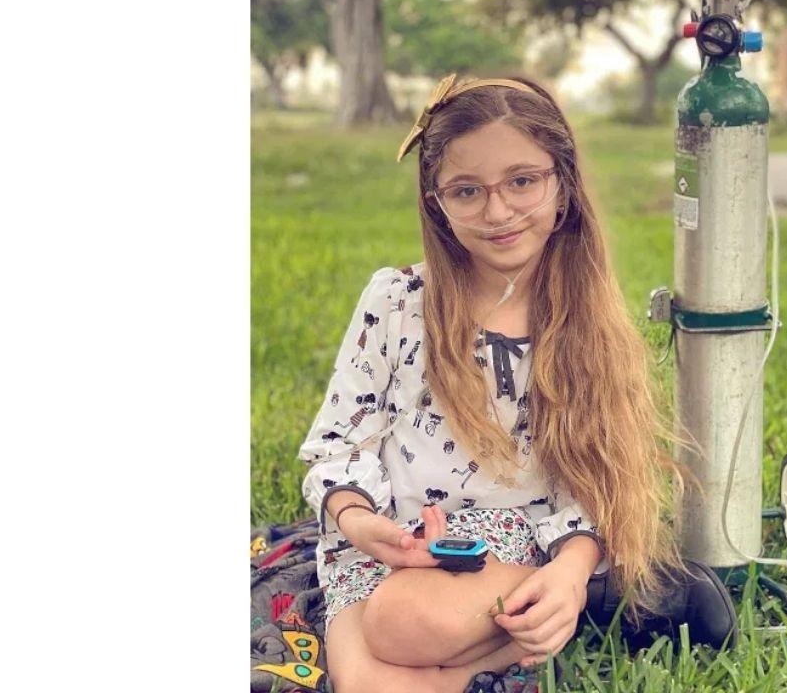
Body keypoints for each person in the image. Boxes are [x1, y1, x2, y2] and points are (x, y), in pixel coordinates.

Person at [297, 74, 736, 693]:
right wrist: (358, 520)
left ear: (563, 188)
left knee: (400, 621)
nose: (498, 211)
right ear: (437, 204)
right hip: (387, 540)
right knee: (367, 681)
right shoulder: (396, 299)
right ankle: (559, 622)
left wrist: (571, 570)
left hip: (509, 537)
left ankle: (563, 598)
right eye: (467, 191)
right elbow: (339, 443)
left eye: (522, 181)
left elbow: (604, 477)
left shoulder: (583, 320)